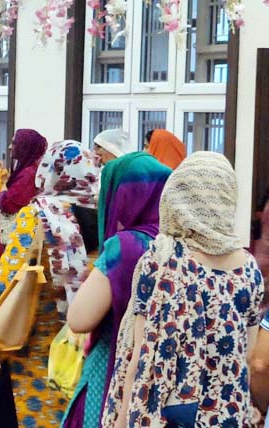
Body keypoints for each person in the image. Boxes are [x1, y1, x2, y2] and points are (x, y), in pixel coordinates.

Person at [102, 152, 265, 427]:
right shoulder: (249, 269)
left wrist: (120, 420)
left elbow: (142, 356)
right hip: (227, 415)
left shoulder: (161, 260)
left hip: (164, 416)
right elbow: (247, 355)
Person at [0, 140, 100, 428]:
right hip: (79, 342)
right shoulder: (103, 214)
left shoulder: (39, 214)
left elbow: (3, 280)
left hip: (30, 340)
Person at [63, 153, 172, 427]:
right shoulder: (175, 245)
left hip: (111, 374)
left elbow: (79, 319)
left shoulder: (125, 247)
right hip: (161, 383)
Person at [0, 129, 47, 313]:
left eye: (15, 143)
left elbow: (8, 203)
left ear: (25, 147)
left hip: (15, 240)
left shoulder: (28, 174)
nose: (10, 147)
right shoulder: (28, 170)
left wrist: (2, 185)